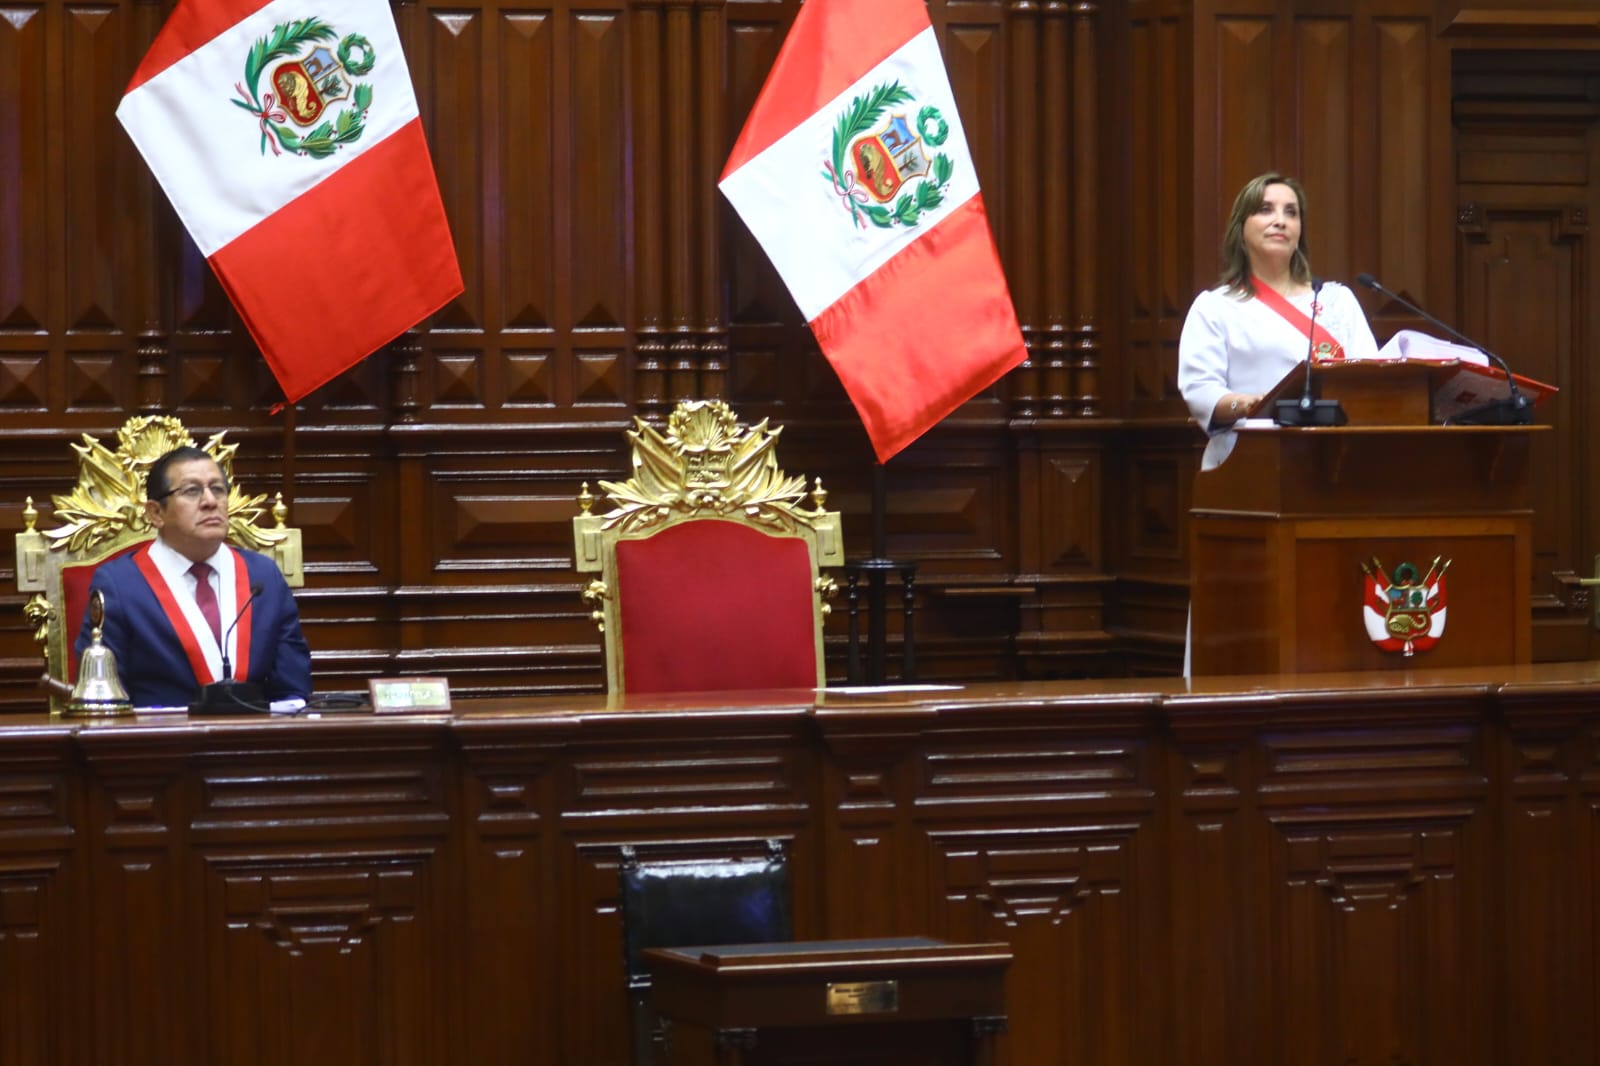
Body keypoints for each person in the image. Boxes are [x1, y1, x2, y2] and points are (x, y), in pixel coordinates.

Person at [73, 446, 312, 708]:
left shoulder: (264, 577)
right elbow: (107, 698)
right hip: (161, 743)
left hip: (254, 741)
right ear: (156, 513)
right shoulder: (119, 584)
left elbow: (293, 690)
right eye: (192, 491)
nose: (210, 501)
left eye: (218, 489)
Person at [1178, 172, 1379, 471]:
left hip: (1335, 461)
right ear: (1241, 228)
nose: (1280, 220)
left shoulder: (1338, 300)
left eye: (1291, 212)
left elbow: (1370, 379)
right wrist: (1248, 403)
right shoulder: (1215, 306)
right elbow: (1200, 389)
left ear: (1300, 231)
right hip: (1250, 462)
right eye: (1265, 209)